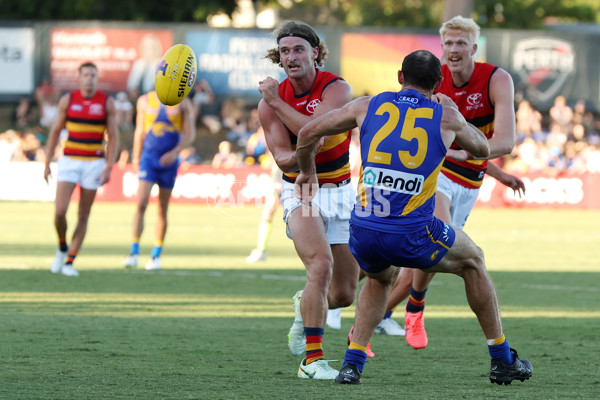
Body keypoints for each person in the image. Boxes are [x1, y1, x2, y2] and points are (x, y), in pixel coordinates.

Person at [295, 49, 533, 386]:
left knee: (380, 278)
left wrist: (307, 172)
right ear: (438, 83)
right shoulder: (445, 115)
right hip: (412, 231)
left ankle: (352, 364)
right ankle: (501, 358)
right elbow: (482, 148)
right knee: (473, 261)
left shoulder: (367, 105)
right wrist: (451, 110)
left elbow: (306, 134)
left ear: (399, 77)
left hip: (363, 228)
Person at [397, 15, 525, 351]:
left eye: (460, 43)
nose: (453, 50)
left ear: (473, 48)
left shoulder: (496, 79)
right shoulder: (432, 80)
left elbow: (505, 141)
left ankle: (378, 314)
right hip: (435, 174)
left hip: (470, 179)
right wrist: (460, 155)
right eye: (448, 44)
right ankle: (413, 308)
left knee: (421, 257)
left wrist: (488, 167)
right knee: (437, 233)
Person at [258, 20, 360, 380]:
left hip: (342, 190)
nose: (291, 57)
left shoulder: (337, 88)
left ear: (315, 52)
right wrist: (304, 164)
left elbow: (314, 132)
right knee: (320, 265)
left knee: (345, 292)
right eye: (284, 51)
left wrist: (305, 152)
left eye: (298, 49)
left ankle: (305, 305)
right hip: (298, 189)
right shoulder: (268, 105)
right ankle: (311, 362)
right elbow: (284, 158)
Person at [44, 62, 119, 277]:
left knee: (83, 214)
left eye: (93, 75)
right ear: (79, 78)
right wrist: (47, 161)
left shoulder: (106, 103)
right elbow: (56, 130)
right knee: (59, 211)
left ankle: (69, 261)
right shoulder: (68, 100)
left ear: (97, 78)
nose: (89, 78)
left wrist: (109, 166)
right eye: (86, 75)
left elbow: (113, 137)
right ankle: (61, 247)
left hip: (94, 164)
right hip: (69, 160)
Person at [122, 90, 196, 270]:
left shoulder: (183, 103)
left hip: (169, 161)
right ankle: (134, 251)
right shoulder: (144, 100)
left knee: (162, 209)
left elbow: (190, 134)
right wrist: (136, 158)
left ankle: (155, 255)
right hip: (148, 159)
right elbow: (140, 131)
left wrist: (175, 152)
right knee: (141, 203)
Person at [245, 152, 283, 263]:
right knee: (267, 213)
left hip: (292, 169)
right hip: (280, 170)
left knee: (302, 216)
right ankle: (261, 250)